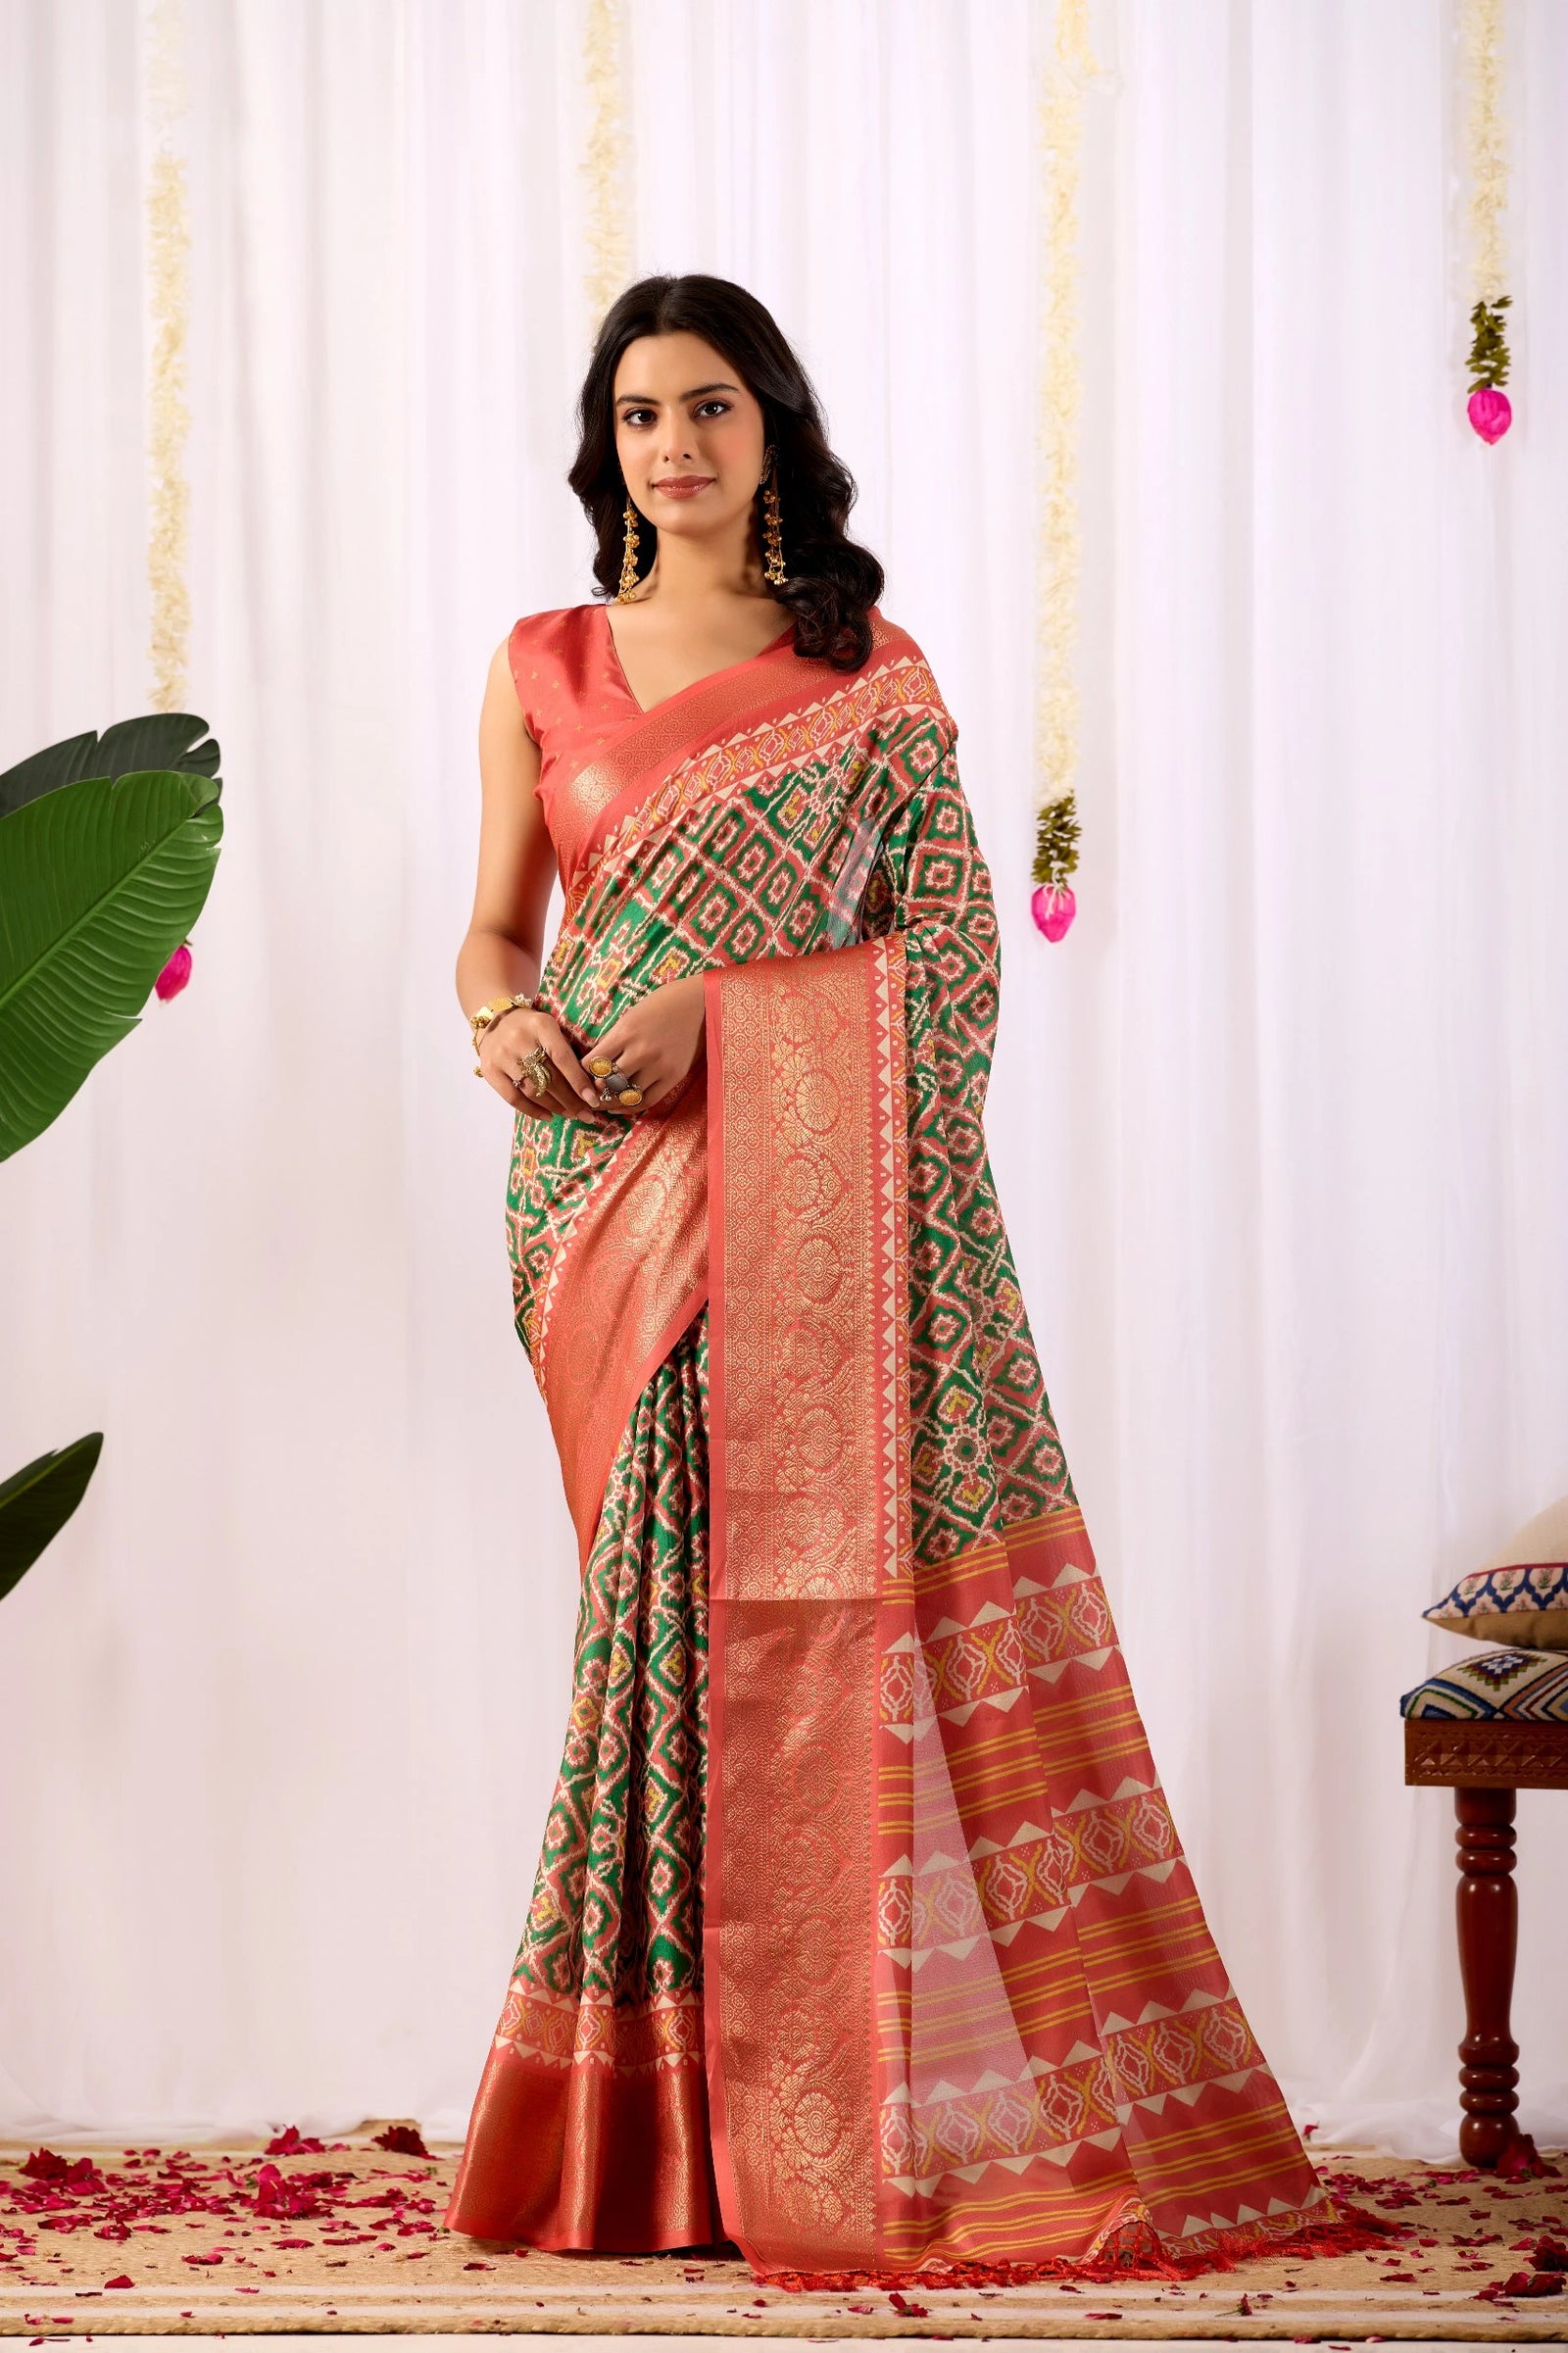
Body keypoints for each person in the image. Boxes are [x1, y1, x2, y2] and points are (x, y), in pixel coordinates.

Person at [445, 273, 1331, 2280]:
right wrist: (499, 1023)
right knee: (646, 1641)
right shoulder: (539, 663)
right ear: (605, 446)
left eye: (708, 406)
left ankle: (786, 2125)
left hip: (794, 1206)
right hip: (593, 1202)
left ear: (772, 425)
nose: (673, 445)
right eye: (639, 413)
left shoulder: (871, 671)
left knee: (783, 1646)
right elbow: (493, 930)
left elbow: (950, 951)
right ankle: (644, 2129)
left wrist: (727, 1013)